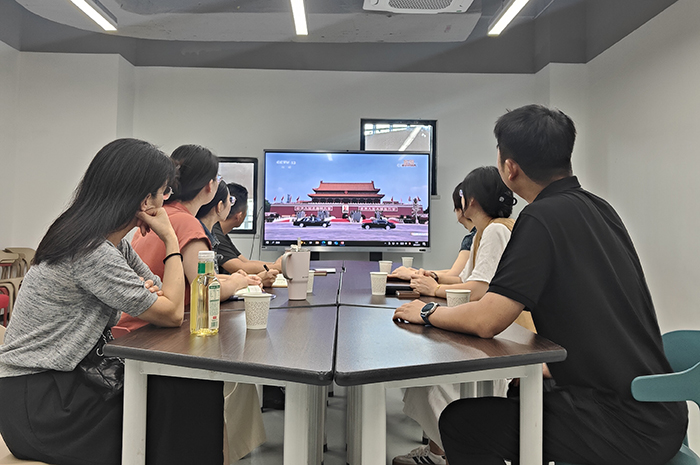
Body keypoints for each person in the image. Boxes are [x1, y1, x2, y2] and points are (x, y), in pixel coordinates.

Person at [393, 104, 688, 465]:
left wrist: (426, 311)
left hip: (622, 423)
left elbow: (487, 319)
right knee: (514, 398)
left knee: (463, 423)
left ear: (510, 168)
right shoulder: (601, 208)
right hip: (656, 410)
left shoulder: (540, 218)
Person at [0, 139, 224, 465]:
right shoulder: (90, 251)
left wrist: (158, 297)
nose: (165, 202)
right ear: (144, 199)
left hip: (66, 383)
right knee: (181, 398)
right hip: (41, 403)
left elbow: (164, 294)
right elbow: (173, 312)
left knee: (187, 390)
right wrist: (170, 239)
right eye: (163, 192)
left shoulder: (110, 244)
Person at [392, 167, 528, 465]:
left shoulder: (495, 231)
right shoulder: (485, 231)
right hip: (499, 332)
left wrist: (433, 291)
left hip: (505, 337)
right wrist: (428, 278)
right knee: (427, 373)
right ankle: (443, 451)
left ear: (471, 201)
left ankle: (453, 451)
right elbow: (464, 279)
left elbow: (478, 289)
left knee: (428, 377)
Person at [119, 145, 258, 333]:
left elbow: (194, 278)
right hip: (152, 330)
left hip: (132, 325)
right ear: (209, 186)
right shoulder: (188, 224)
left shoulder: (159, 215)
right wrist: (238, 283)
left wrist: (233, 278)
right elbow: (207, 290)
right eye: (217, 178)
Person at [389, 183, 476, 283]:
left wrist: (413, 275)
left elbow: (455, 276)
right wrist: (420, 272)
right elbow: (457, 272)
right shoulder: (481, 234)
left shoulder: (472, 239)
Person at [213, 182, 281, 284]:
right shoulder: (215, 234)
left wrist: (275, 265)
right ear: (239, 215)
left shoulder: (221, 233)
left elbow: (245, 262)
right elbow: (240, 267)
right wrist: (278, 267)